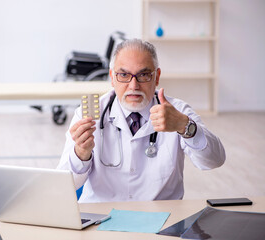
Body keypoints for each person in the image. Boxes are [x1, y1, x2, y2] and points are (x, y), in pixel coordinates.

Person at [57, 39, 226, 203]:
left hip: (161, 219)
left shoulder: (178, 112)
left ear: (157, 76)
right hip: (100, 217)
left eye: (143, 75)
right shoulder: (88, 115)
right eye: (124, 75)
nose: (133, 86)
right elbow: (65, 185)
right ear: (112, 78)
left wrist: (185, 126)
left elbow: (214, 160)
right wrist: (81, 153)